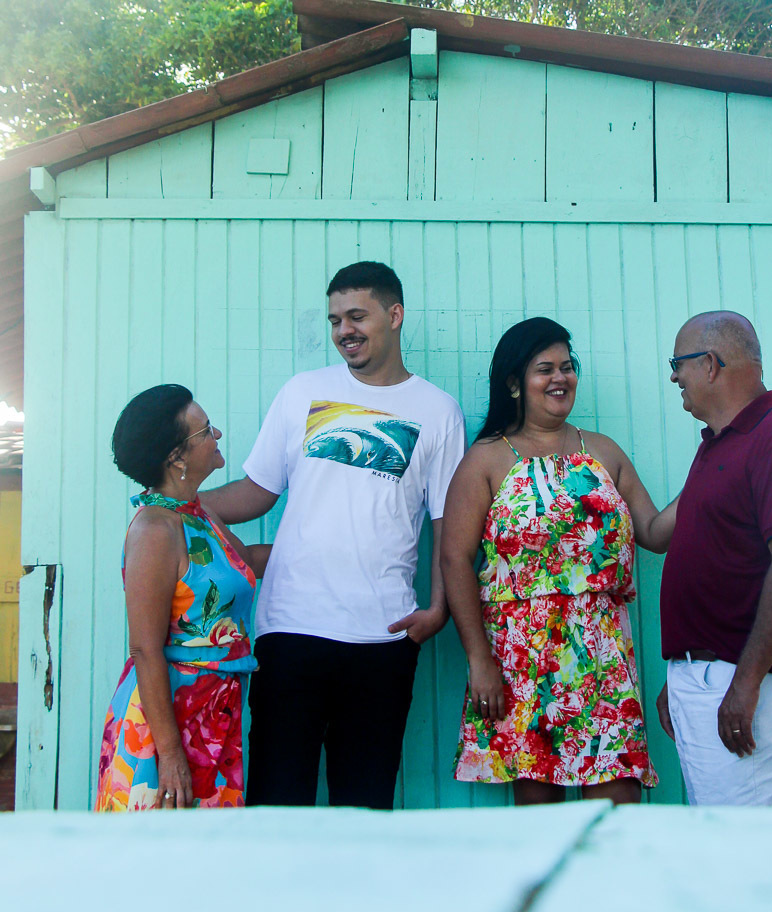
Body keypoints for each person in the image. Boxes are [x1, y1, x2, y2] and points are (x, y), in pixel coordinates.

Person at [203, 261, 466, 809]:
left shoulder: (438, 411)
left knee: (365, 805)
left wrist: (439, 608)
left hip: (384, 636)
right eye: (334, 319)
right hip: (292, 629)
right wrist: (179, 506)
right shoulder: (304, 391)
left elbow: (448, 520)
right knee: (276, 801)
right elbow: (258, 491)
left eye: (357, 315)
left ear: (394, 316)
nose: (345, 329)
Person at [441, 317, 676, 805]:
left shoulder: (603, 452)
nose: (560, 378)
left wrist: (709, 470)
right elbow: (454, 560)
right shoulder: (486, 459)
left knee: (617, 816)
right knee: (540, 824)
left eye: (567, 367)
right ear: (513, 383)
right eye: (544, 368)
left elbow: (654, 533)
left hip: (604, 657)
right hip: (523, 661)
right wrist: (479, 659)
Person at [657, 311, 772, 806]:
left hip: (746, 679)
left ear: (709, 364)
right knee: (720, 849)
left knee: (750, 855)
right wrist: (686, 671)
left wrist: (743, 684)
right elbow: (668, 539)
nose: (674, 377)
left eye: (678, 363)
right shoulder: (715, 447)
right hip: (710, 677)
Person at [95, 384, 270, 811]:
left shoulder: (196, 514)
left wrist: (334, 544)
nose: (218, 436)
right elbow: (145, 649)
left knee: (208, 856)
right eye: (206, 430)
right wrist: (170, 754)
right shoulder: (155, 529)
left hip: (213, 712)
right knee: (160, 858)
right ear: (176, 457)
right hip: (169, 722)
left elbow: (247, 560)